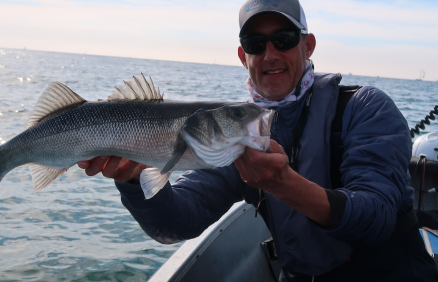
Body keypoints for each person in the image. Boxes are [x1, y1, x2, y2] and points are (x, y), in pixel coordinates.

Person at [77, 0, 438, 281]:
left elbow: (377, 217)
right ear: (242, 56)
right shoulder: (235, 131)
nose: (270, 54)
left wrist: (285, 185)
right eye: (255, 42)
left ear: (307, 45)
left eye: (283, 39)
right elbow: (177, 222)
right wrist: (134, 181)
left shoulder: (367, 108)